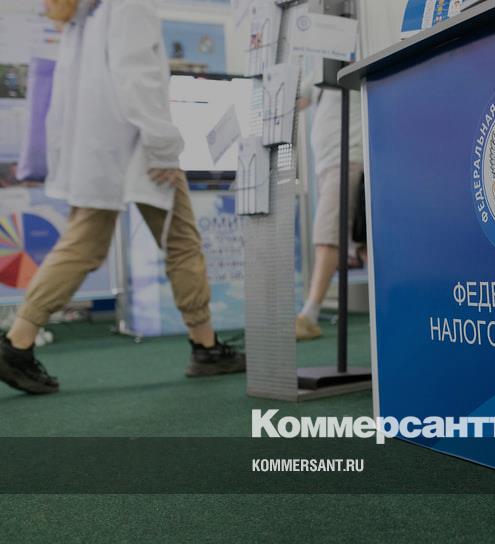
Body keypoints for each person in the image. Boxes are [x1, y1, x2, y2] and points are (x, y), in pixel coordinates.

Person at [0, 0, 245, 395]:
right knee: (181, 242)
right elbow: (138, 80)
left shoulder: (84, 14)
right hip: (139, 148)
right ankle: (206, 348)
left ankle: (19, 340)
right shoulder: (128, 5)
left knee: (82, 245)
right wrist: (163, 146)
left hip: (96, 151)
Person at [294, 69, 364, 341]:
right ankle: (392, 306)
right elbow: (298, 99)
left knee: (328, 237)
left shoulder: (349, 52)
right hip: (329, 164)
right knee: (361, 243)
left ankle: (309, 316)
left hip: (346, 158)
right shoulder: (317, 67)